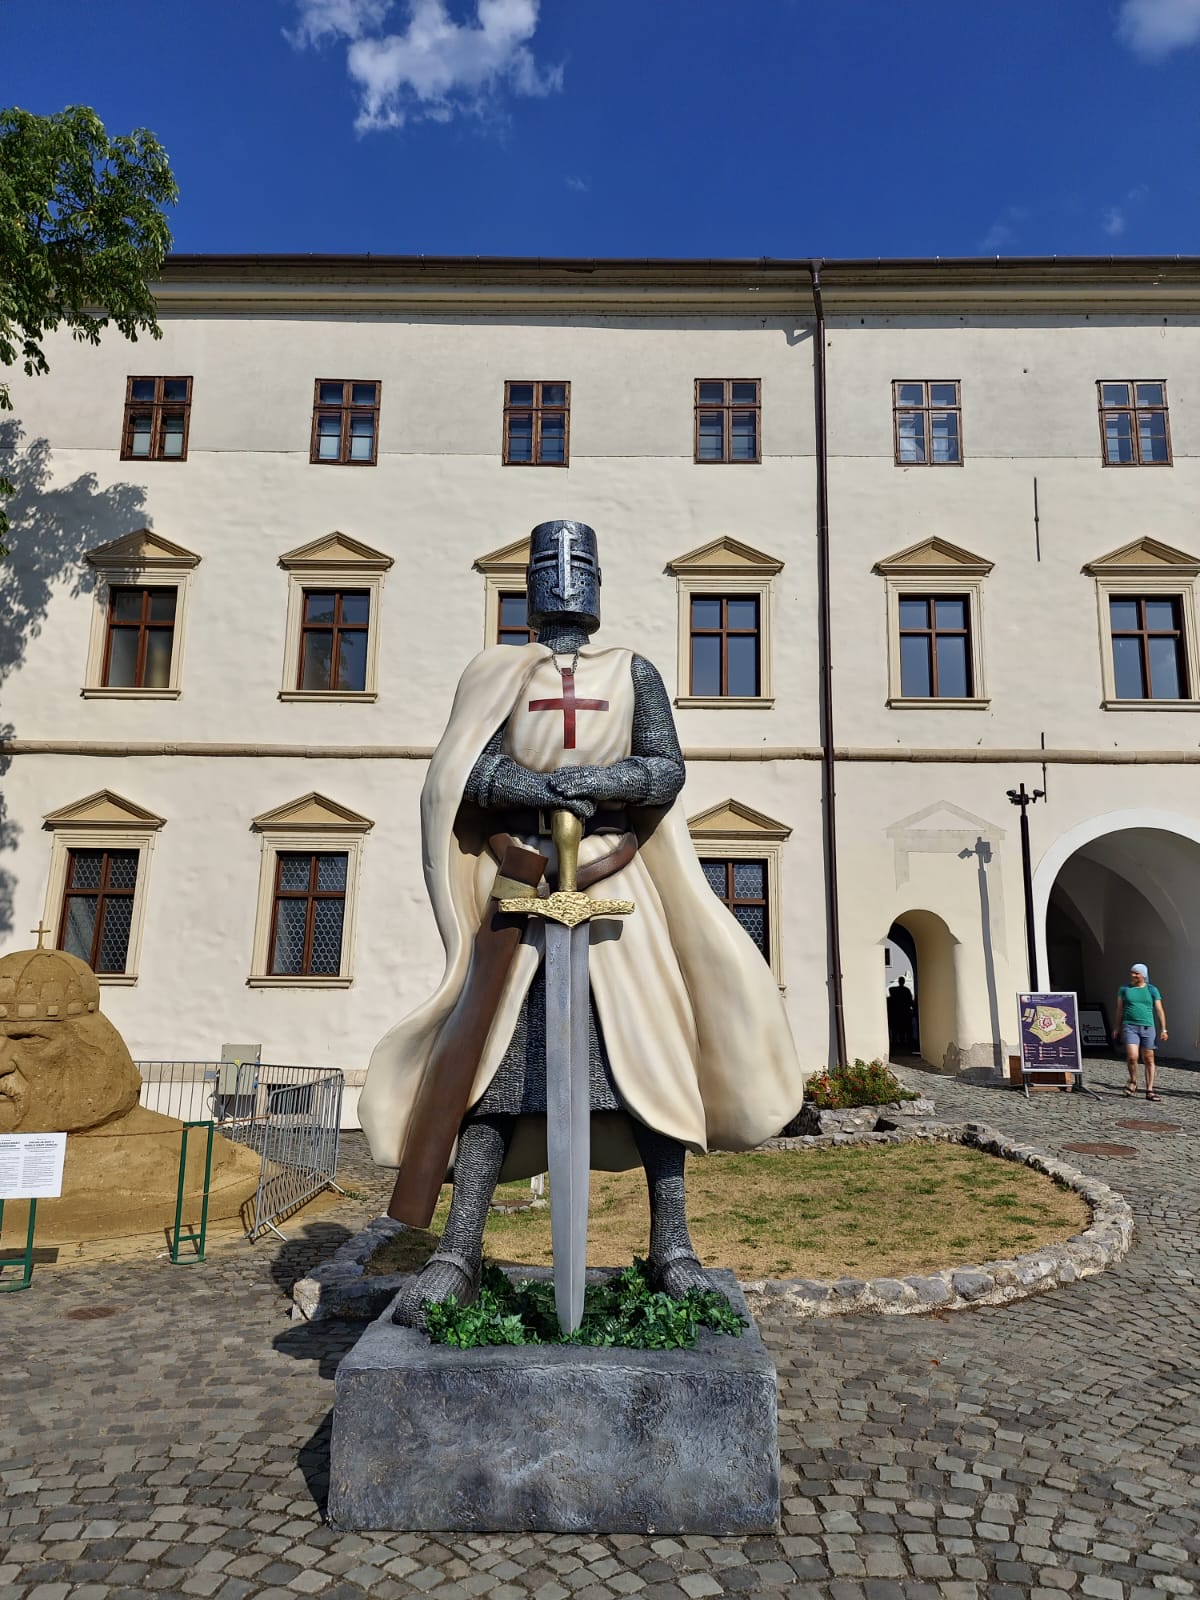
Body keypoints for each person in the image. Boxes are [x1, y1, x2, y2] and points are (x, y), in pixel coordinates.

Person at [359, 520, 805, 1325]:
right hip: (522, 888)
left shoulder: (634, 673)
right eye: (551, 568)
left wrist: (598, 781)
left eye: (577, 569)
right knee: (493, 1072)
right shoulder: (497, 673)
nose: (566, 583)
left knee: (653, 1066)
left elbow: (664, 766)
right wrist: (532, 789)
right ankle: (459, 1251)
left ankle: (673, 1247)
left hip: (614, 886)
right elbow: (464, 770)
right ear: (531, 584)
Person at [1112, 962, 1168, 1101]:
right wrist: (1117, 1027)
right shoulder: (1124, 989)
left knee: (1149, 1058)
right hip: (1130, 1026)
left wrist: (1163, 1029)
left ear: (1143, 975)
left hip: (1147, 1027)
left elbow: (1159, 1010)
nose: (1133, 975)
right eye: (1132, 972)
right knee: (1132, 1056)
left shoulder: (1152, 990)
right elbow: (1119, 1009)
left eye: (1136, 973)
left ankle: (1150, 1089)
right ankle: (1133, 1081)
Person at [887, 976, 914, 1055]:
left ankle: (895, 1046)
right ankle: (906, 1046)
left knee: (896, 1031)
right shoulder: (906, 990)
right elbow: (910, 1002)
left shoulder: (897, 990)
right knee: (904, 1031)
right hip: (904, 1013)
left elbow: (890, 990)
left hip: (897, 1014)